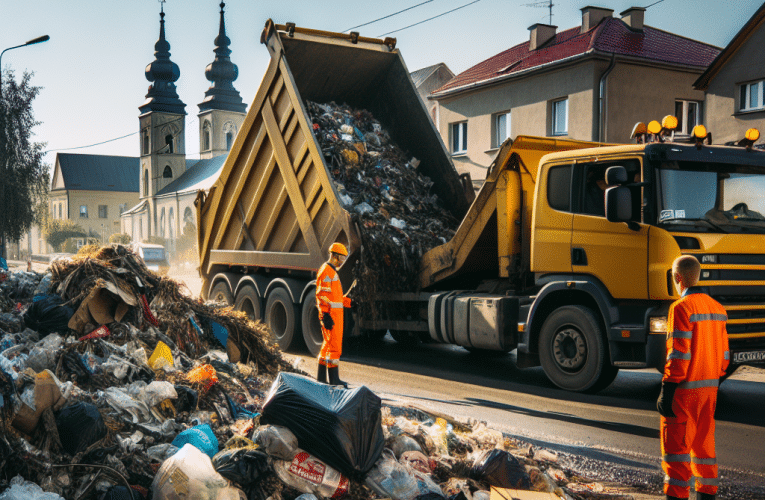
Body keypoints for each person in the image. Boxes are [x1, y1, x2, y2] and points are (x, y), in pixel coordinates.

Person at [658, 255, 729, 500]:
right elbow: (725, 356)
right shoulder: (717, 308)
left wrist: (667, 388)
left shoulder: (680, 308)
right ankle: (707, 494)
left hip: (684, 393)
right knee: (704, 449)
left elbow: (679, 354)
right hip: (708, 392)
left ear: (678, 279)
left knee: (677, 455)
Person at [315, 242, 352, 387]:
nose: (343, 261)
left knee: (327, 346)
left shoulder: (330, 271)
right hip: (331, 315)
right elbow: (322, 295)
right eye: (342, 258)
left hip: (332, 313)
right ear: (335, 256)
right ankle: (334, 380)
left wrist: (349, 302)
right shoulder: (327, 271)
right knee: (335, 348)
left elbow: (335, 297)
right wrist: (325, 314)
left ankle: (321, 378)